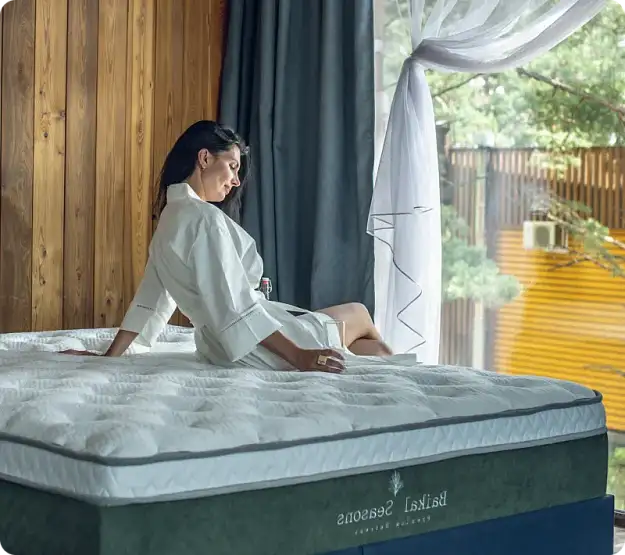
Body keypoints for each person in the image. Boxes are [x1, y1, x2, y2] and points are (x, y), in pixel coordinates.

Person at [64, 121, 392, 372]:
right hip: (258, 344)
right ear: (205, 158)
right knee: (360, 314)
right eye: (233, 166)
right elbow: (234, 307)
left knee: (375, 352)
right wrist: (299, 356)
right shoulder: (204, 220)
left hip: (219, 348)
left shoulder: (170, 219)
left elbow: (152, 299)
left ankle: (387, 371)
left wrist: (110, 356)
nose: (236, 180)